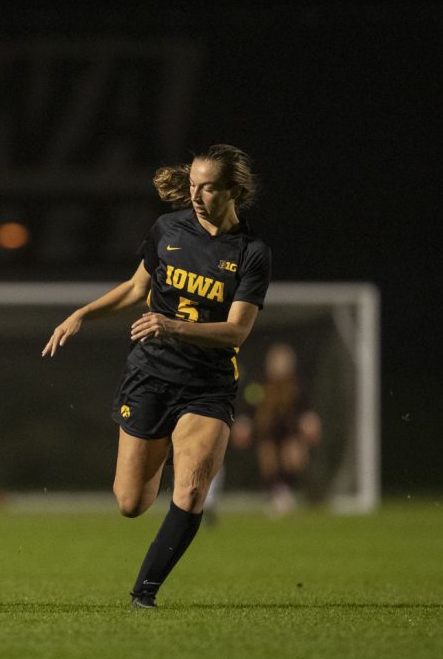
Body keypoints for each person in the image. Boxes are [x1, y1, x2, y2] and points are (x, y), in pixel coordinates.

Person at [42, 145, 272, 609]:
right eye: (193, 186)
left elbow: (237, 331)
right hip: (150, 375)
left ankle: (144, 594)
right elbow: (135, 288)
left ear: (233, 190)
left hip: (208, 385)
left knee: (190, 489)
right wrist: (83, 313)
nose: (197, 195)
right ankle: (169, 445)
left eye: (208, 187)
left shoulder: (251, 253)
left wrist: (173, 325)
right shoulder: (168, 229)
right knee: (131, 503)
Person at [231, 342, 322, 514]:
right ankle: (276, 493)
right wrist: (244, 424)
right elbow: (249, 407)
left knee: (294, 458)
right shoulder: (259, 384)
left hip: (290, 431)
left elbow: (306, 410)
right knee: (268, 460)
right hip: (267, 432)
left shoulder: (297, 385)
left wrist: (310, 422)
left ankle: (289, 491)